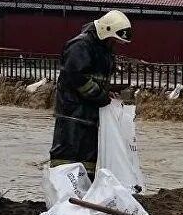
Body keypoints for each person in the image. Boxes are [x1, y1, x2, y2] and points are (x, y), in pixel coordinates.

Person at [49, 10, 132, 179]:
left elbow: (96, 78)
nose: (114, 44)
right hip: (72, 114)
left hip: (89, 114)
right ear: (106, 31)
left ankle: (84, 193)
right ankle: (63, 194)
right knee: (67, 157)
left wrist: (107, 93)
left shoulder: (100, 47)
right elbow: (77, 77)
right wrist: (101, 97)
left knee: (87, 160)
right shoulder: (80, 46)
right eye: (114, 40)